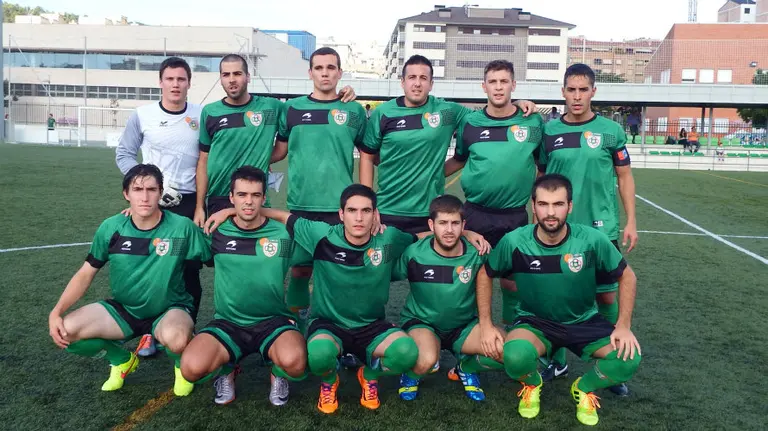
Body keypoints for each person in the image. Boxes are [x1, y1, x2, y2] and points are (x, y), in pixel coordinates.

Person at [202, 184, 490, 414]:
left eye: (366, 211)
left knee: (407, 354)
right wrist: (230, 211)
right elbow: (282, 215)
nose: (359, 217)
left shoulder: (388, 239)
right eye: (352, 210)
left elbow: (426, 234)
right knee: (316, 356)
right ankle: (330, 381)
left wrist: (468, 232)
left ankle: (370, 377)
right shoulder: (321, 235)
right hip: (329, 323)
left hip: (372, 326)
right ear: (341, 214)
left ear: (376, 215)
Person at [477, 174, 641, 426]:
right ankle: (532, 384)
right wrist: (486, 325)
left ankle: (584, 388)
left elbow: (627, 276)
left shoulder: (591, 240)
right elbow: (485, 274)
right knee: (514, 355)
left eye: (558, 204)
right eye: (543, 204)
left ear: (570, 206)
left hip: (583, 321)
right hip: (535, 323)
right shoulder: (515, 242)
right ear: (533, 206)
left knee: (629, 358)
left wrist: (623, 325)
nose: (550, 213)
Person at [47, 164, 211, 396]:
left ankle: (180, 366)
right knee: (67, 332)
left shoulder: (181, 228)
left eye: (152, 190)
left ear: (161, 192)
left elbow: (215, 258)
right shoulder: (112, 227)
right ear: (126, 194)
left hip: (170, 309)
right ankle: (121, 359)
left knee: (176, 339)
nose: (144, 197)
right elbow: (86, 272)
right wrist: (57, 311)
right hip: (125, 310)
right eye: (137, 189)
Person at [540, 64, 638, 397]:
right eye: (571, 89)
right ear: (563, 91)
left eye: (583, 89)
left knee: (606, 295)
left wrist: (631, 221)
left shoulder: (611, 131)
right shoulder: (549, 132)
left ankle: (611, 368)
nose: (577, 96)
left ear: (593, 92)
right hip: (556, 229)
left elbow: (624, 177)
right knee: (554, 296)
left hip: (601, 227)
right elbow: (541, 179)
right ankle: (557, 360)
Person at [359, 55, 537, 235]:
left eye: (423, 78)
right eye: (412, 78)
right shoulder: (383, 113)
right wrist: (367, 205)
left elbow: (489, 115)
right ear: (402, 82)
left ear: (431, 84)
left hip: (429, 211)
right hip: (388, 209)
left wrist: (515, 103)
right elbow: (367, 156)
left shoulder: (447, 112)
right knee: (386, 260)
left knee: (426, 262)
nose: (417, 83)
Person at [180, 166, 307, 406]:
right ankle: (227, 368)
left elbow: (310, 252)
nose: (248, 202)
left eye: (255, 195)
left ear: (263, 198)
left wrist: (297, 319)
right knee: (190, 368)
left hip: (272, 321)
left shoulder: (284, 234)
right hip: (228, 323)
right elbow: (178, 240)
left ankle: (277, 372)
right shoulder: (215, 231)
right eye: (241, 195)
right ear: (231, 198)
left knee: (296, 362)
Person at [444, 60, 545, 345]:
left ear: (514, 85)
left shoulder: (532, 121)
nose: (498, 87)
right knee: (474, 278)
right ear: (484, 86)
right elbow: (459, 160)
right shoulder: (470, 122)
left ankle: (513, 336)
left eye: (504, 82)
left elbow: (543, 168)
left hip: (514, 217)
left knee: (512, 281)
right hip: (475, 214)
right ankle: (472, 339)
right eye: (493, 81)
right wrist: (427, 176)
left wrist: (540, 209)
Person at [273, 47, 367, 334]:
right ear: (310, 72)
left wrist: (364, 201)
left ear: (339, 72)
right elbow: (279, 150)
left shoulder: (354, 111)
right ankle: (297, 328)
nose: (325, 73)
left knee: (340, 274)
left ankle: (342, 331)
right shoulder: (292, 109)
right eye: (319, 68)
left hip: (341, 210)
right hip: (301, 204)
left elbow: (366, 154)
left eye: (331, 67)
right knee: (300, 270)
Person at [115, 56, 204, 358]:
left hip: (191, 202)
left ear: (189, 83)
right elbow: (124, 152)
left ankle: (186, 326)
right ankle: (148, 333)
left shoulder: (202, 115)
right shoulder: (142, 115)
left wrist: (202, 204)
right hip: (155, 201)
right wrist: (141, 184)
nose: (175, 84)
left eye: (181, 79)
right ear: (161, 82)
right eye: (170, 79)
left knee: (189, 268)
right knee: (151, 268)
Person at [393, 195, 499, 402]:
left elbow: (489, 282)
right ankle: (412, 374)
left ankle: (465, 367)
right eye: (443, 223)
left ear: (463, 225)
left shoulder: (478, 252)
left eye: (455, 223)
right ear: (431, 225)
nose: (449, 230)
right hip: (423, 323)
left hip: (464, 326)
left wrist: (487, 325)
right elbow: (385, 277)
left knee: (503, 350)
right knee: (425, 360)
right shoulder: (414, 253)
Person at [193, 54, 287, 224]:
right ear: (220, 79)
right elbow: (203, 161)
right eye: (226, 75)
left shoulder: (271, 108)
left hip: (254, 197)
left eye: (237, 74)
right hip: (219, 196)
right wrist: (199, 206)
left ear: (248, 77)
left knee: (254, 248)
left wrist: (342, 95)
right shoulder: (210, 112)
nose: (231, 80)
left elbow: (302, 109)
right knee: (220, 249)